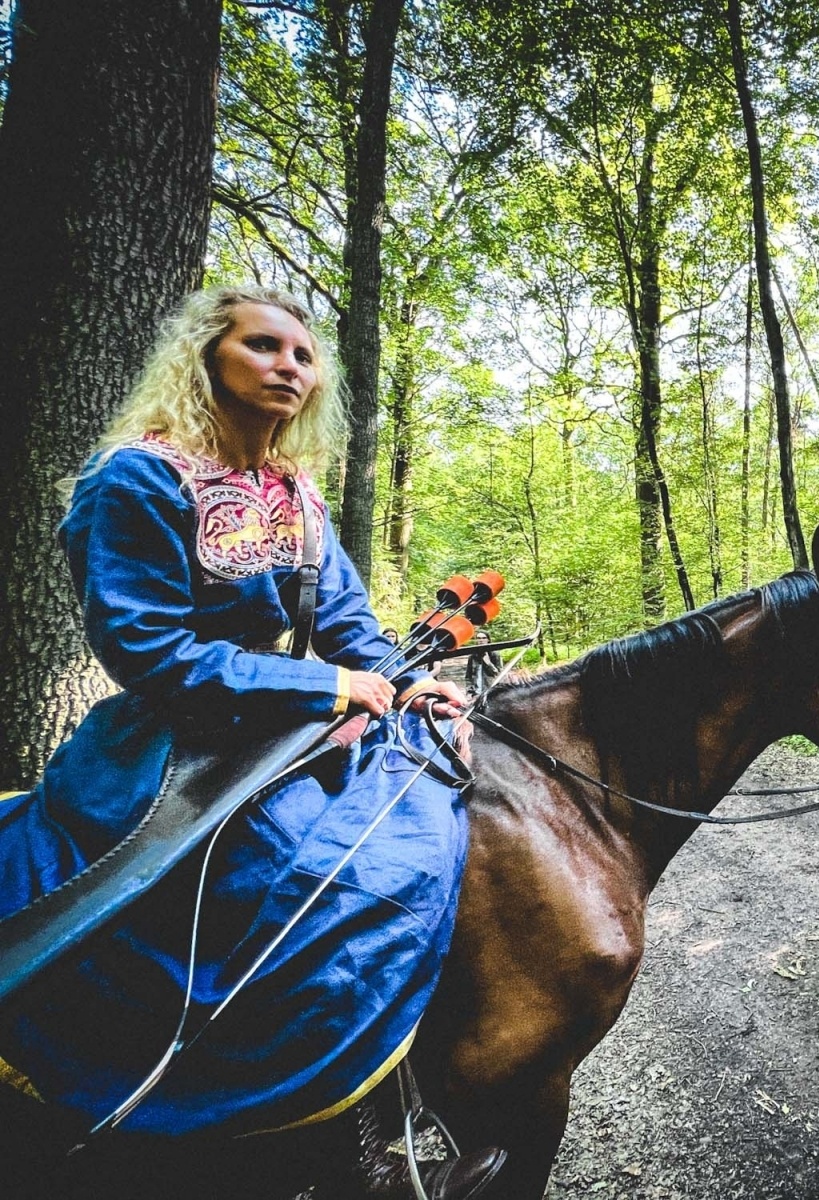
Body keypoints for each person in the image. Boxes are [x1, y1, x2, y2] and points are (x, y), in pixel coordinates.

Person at [0, 287, 503, 1199]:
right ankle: (234, 1134)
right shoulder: (136, 478)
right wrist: (324, 687)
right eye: (264, 345)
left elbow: (349, 622)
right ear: (207, 357)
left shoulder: (298, 494)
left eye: (304, 356)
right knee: (300, 883)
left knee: (417, 841)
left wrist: (408, 676)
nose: (289, 366)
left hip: (282, 727)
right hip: (165, 746)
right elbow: (148, 649)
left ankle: (385, 1112)